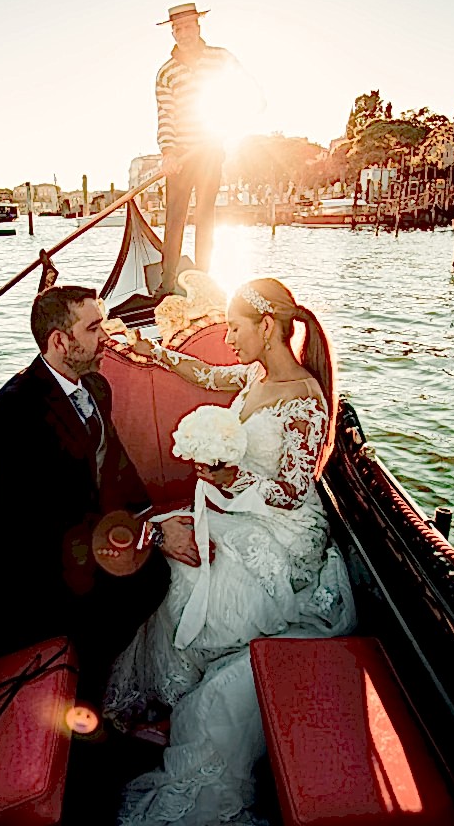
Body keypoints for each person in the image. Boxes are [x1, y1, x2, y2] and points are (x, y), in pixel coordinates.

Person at [105, 278, 357, 825]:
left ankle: (183, 700)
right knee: (173, 550)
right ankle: (168, 698)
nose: (230, 338)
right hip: (240, 507)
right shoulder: (255, 374)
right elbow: (209, 374)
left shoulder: (306, 400)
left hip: (283, 533)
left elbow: (292, 489)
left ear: (266, 327)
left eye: (237, 328)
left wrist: (231, 476)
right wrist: (156, 353)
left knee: (188, 571)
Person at [0, 285, 202, 700]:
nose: (107, 337)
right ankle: (89, 692)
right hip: (44, 563)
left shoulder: (96, 387)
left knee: (164, 564)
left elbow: (115, 466)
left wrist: (153, 516)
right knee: (149, 579)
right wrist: (154, 535)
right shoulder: (16, 408)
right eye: (95, 328)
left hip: (85, 538)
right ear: (61, 341)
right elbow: (49, 515)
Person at [155, 3, 253, 292]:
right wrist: (168, 152)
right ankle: (168, 282)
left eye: (187, 27)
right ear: (173, 33)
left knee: (205, 215)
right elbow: (166, 117)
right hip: (181, 156)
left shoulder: (220, 58)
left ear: (198, 27)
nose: (183, 33)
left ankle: (203, 279)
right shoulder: (166, 73)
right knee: (175, 218)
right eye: (177, 29)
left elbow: (243, 90)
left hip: (210, 151)